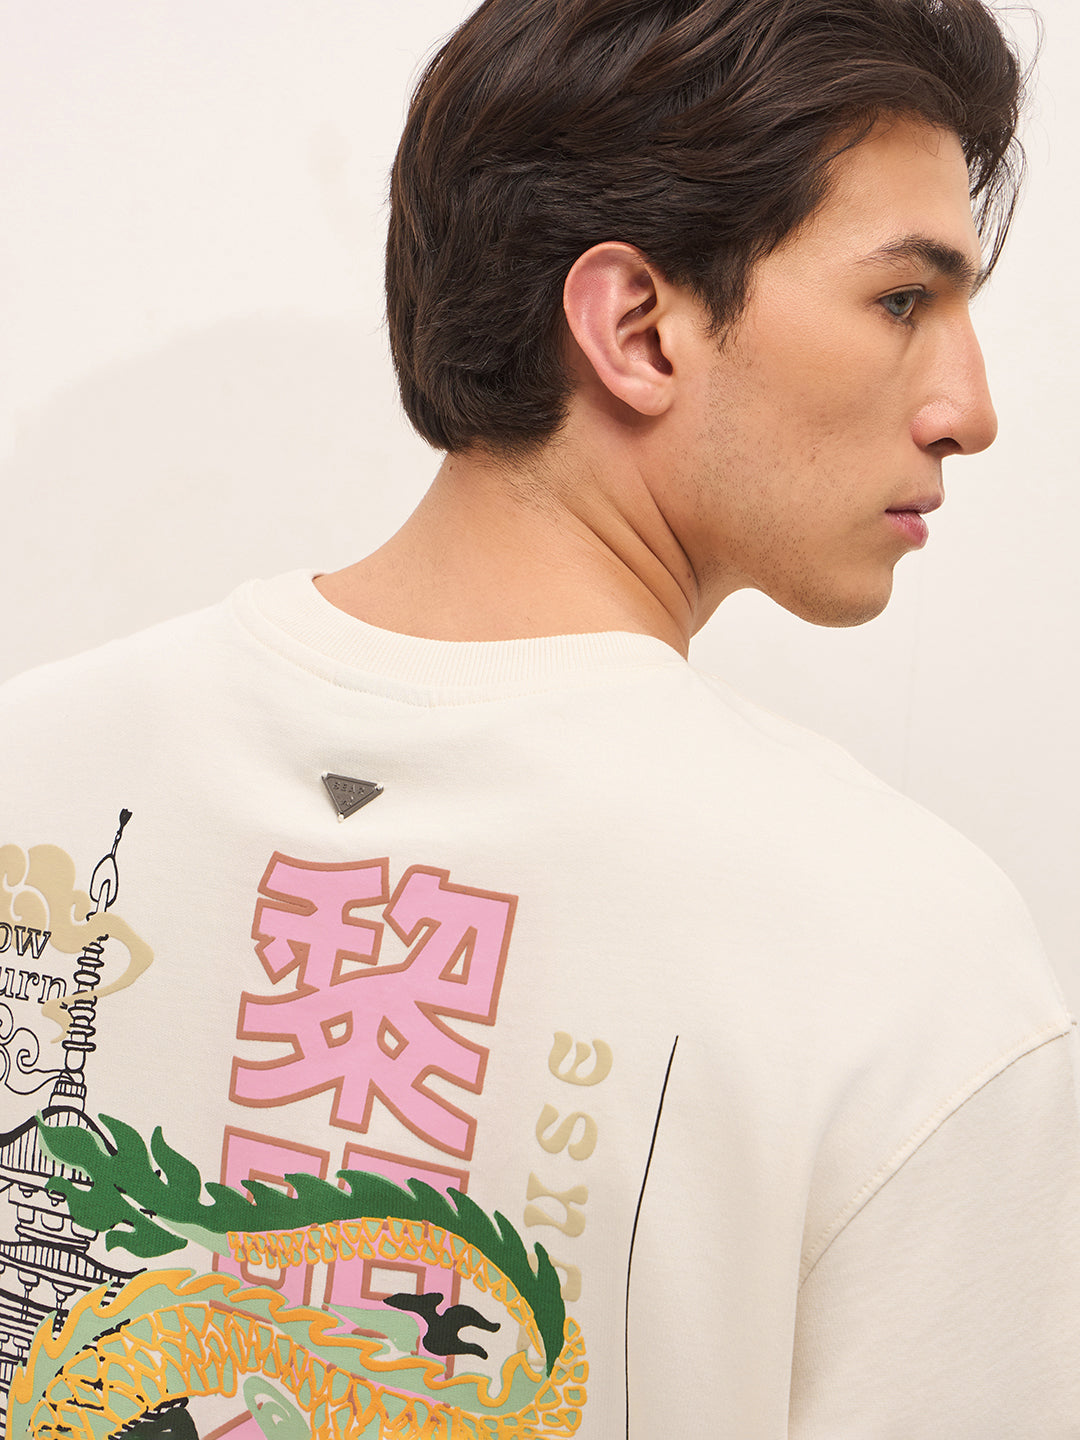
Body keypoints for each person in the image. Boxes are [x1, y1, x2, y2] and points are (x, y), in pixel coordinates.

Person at [1, 0, 1076, 1435]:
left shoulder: (31, 765)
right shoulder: (911, 956)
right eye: (902, 302)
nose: (970, 409)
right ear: (636, 328)